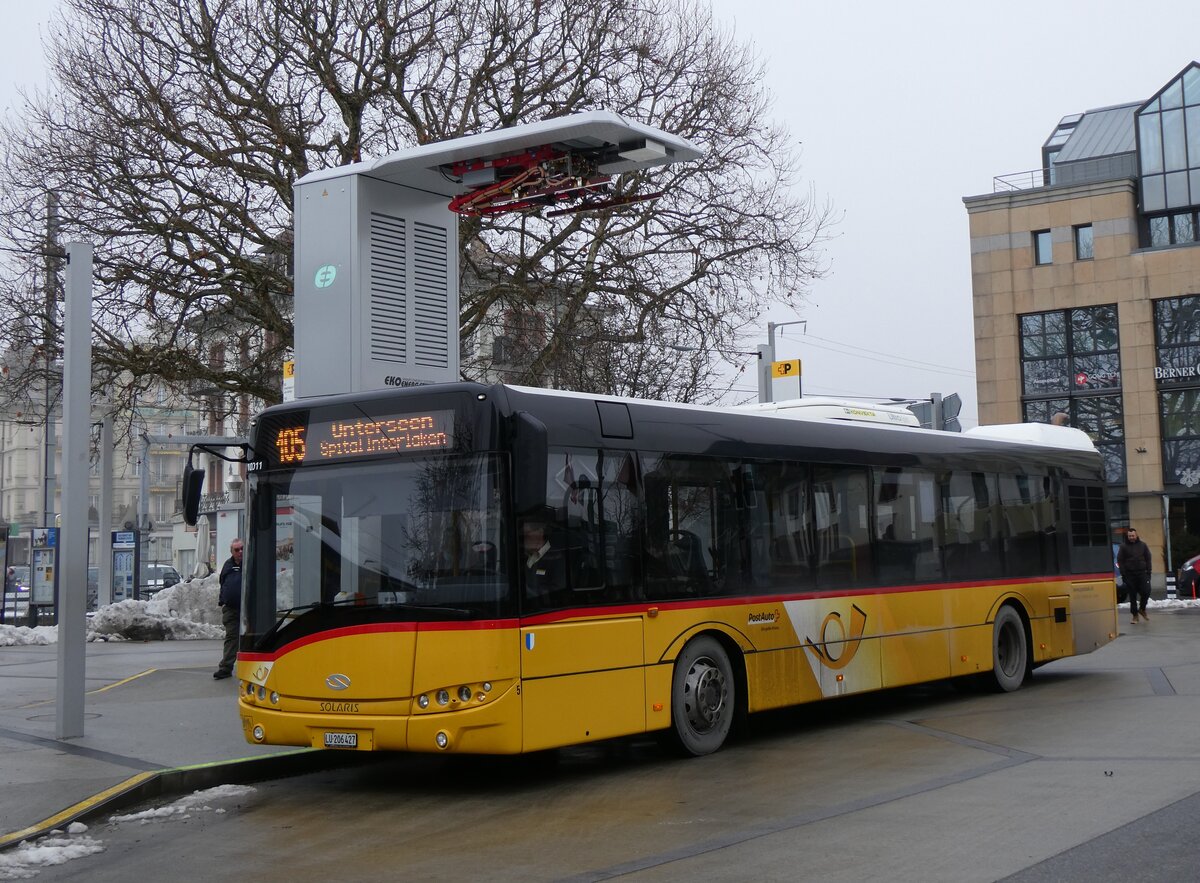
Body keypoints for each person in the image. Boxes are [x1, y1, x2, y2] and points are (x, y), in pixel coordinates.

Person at [214, 538, 243, 679]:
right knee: (231, 637)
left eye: (242, 548)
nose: (240, 552)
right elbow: (223, 583)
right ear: (232, 552)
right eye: (237, 550)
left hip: (247, 609)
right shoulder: (228, 565)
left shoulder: (250, 563)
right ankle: (226, 667)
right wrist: (223, 602)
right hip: (231, 608)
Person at [522, 518, 566, 600]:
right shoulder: (525, 556)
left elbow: (558, 591)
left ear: (540, 532)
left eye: (527, 534)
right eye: (523, 535)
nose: (525, 539)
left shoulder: (556, 558)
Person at [1117, 527, 1152, 624]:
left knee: (1146, 591)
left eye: (1133, 535)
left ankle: (1142, 609)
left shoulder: (1143, 545)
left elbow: (1148, 558)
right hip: (1129, 575)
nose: (1131, 537)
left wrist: (1149, 572)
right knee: (1132, 596)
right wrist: (1123, 574)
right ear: (1127, 536)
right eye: (1129, 536)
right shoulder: (1123, 547)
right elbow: (1120, 560)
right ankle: (1135, 616)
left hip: (1142, 573)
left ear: (1136, 535)